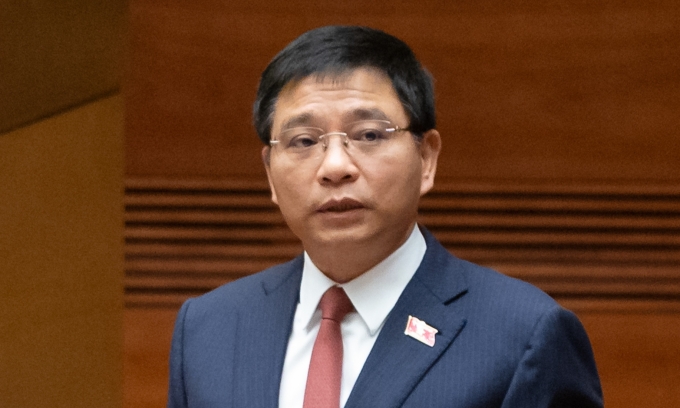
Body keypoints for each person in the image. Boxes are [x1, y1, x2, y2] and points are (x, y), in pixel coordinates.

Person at [167, 25, 603, 408]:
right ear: (270, 174)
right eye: (304, 141)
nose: (335, 166)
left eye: (369, 135)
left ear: (426, 158)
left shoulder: (523, 335)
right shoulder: (208, 329)